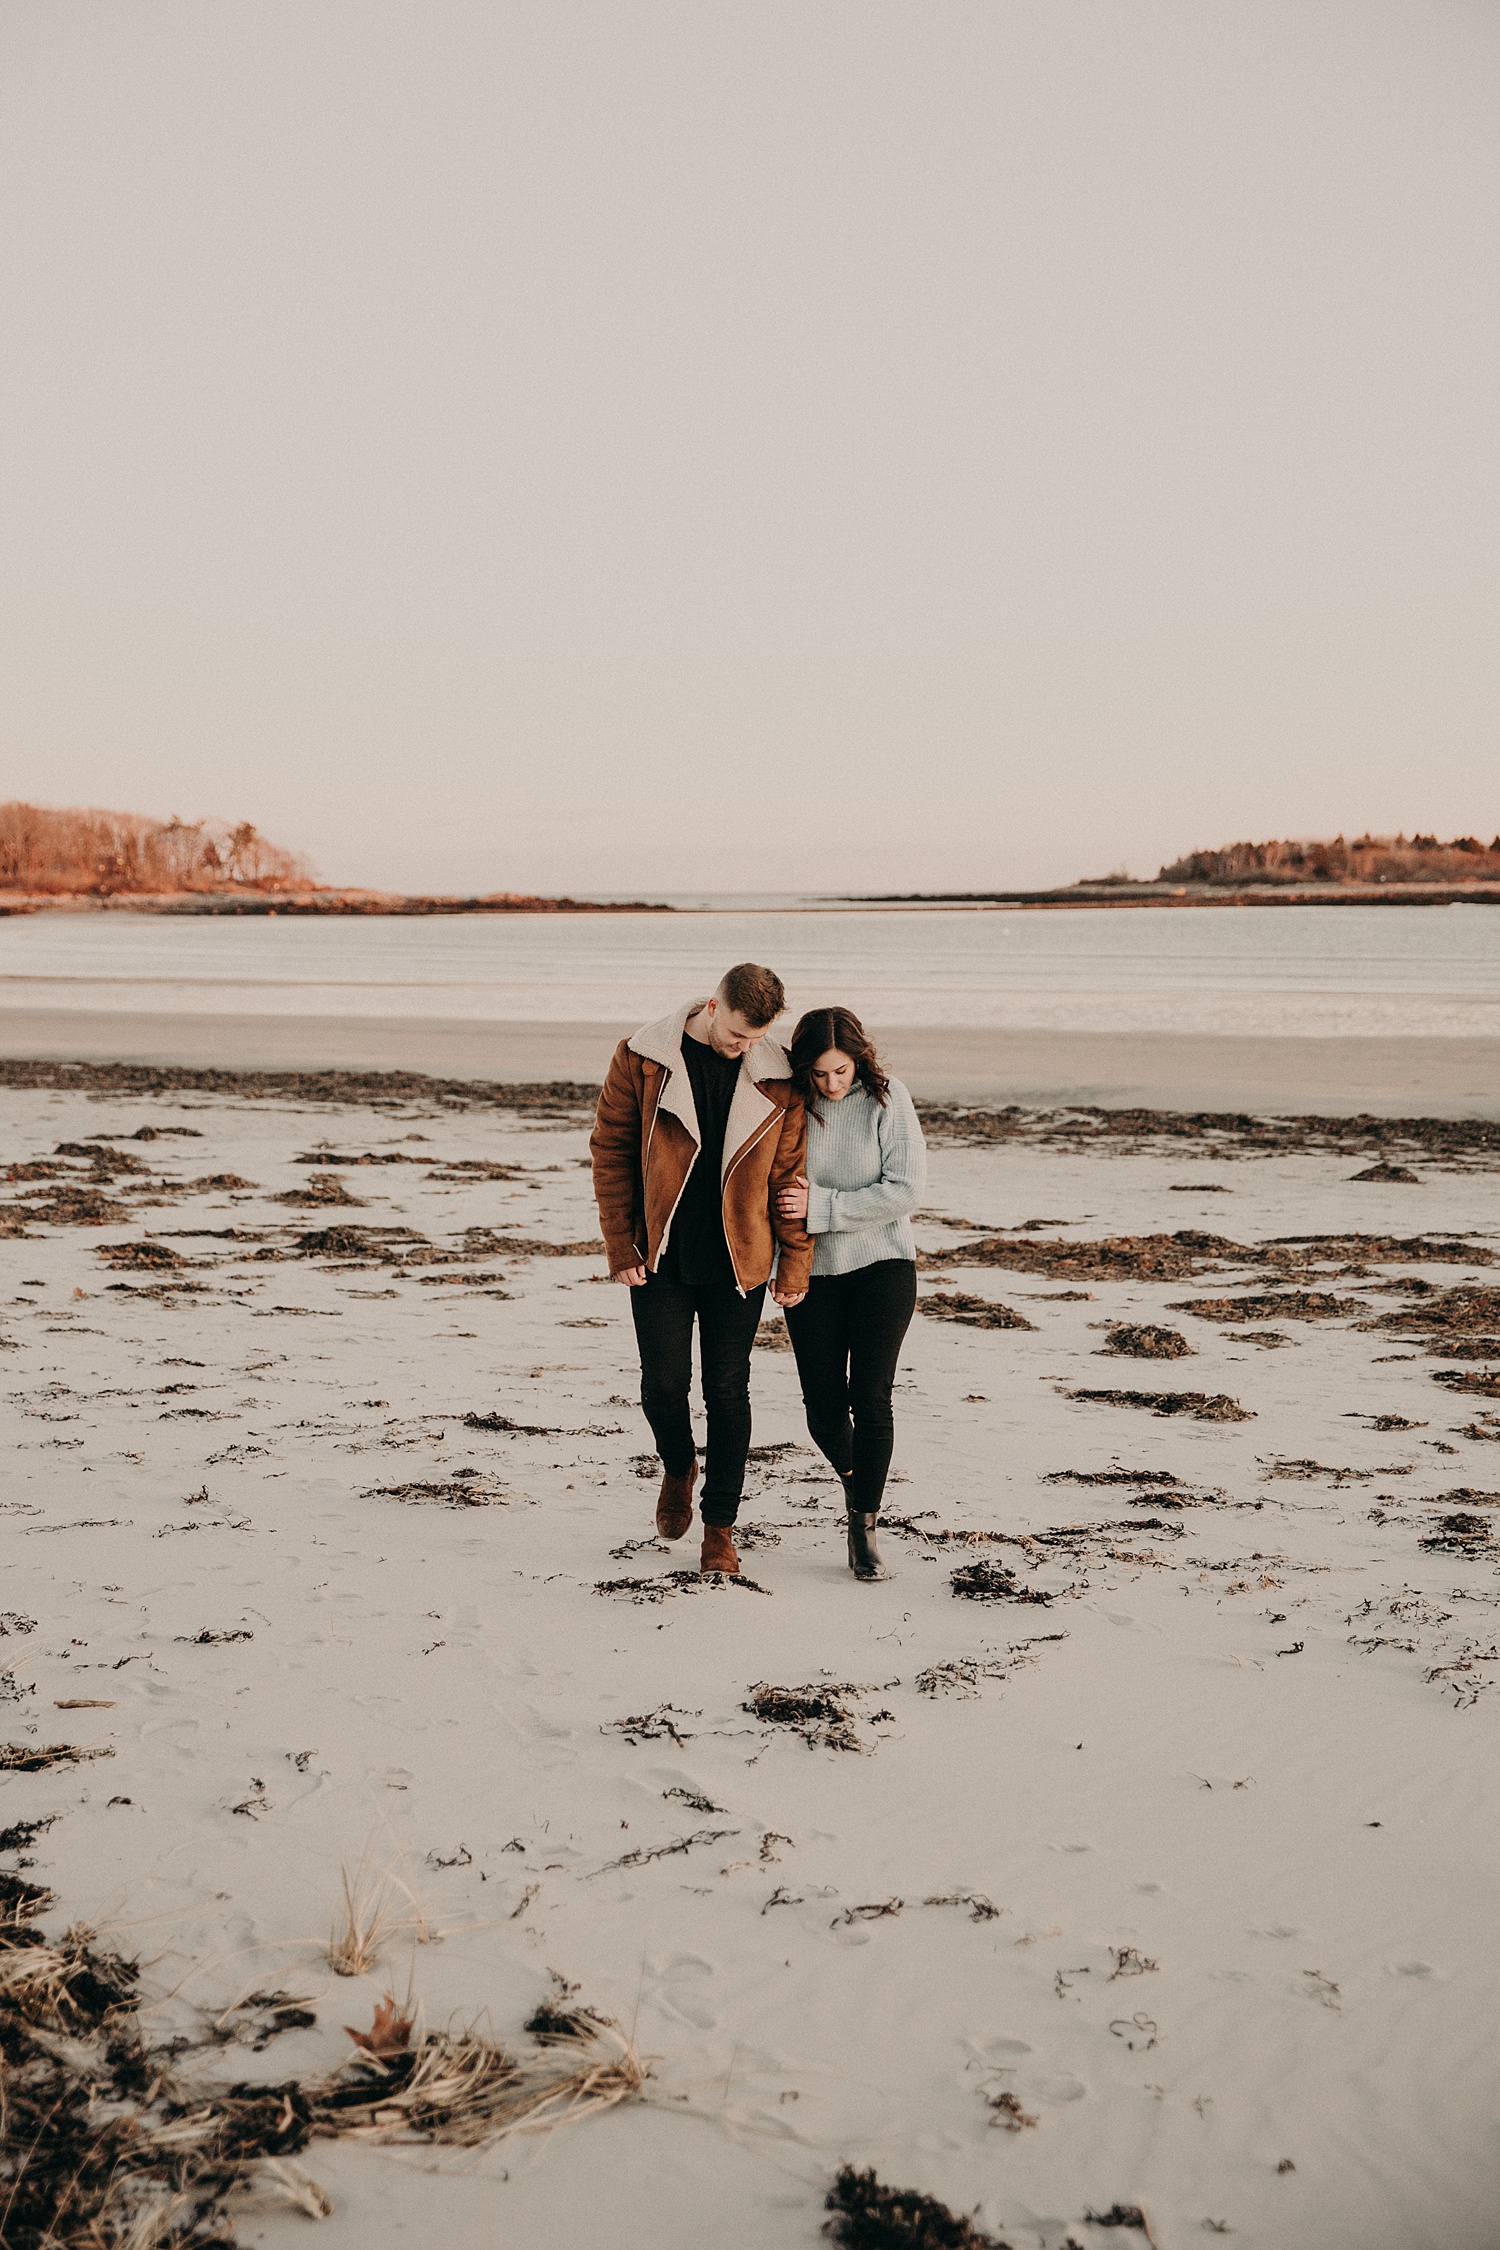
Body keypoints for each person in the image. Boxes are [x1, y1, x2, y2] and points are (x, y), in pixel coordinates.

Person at [590, 963, 812, 1576]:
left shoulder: (778, 1074)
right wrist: (620, 1245)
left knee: (727, 1392)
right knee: (662, 1386)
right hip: (660, 1253)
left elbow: (789, 1174)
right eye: (738, 1034)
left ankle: (720, 1528)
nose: (745, 1048)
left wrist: (795, 1262)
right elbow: (609, 1150)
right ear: (714, 1006)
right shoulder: (642, 1056)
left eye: (755, 1038)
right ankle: (679, 1462)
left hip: (739, 1260)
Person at [775, 1007, 926, 1582]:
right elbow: (775, 1191)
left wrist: (825, 1207)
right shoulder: (790, 1107)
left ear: (859, 1060)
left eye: (841, 1072)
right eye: (819, 1074)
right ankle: (856, 1481)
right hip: (812, 1274)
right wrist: (779, 1263)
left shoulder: (889, 1100)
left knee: (872, 1396)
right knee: (822, 1410)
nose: (832, 1085)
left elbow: (905, 1189)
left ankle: (863, 1526)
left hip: (884, 1265)